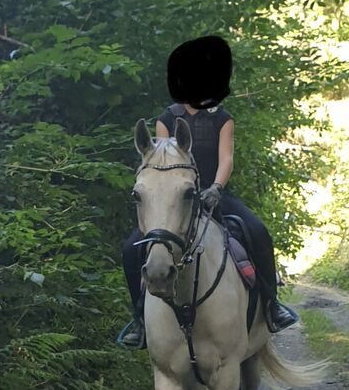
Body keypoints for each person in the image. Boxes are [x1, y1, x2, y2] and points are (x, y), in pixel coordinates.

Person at [121, 100, 298, 347]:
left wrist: (216, 187)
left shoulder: (221, 118)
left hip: (214, 193)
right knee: (131, 248)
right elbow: (160, 160)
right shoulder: (167, 118)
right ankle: (140, 319)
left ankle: (271, 304)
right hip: (175, 200)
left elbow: (226, 159)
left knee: (257, 231)